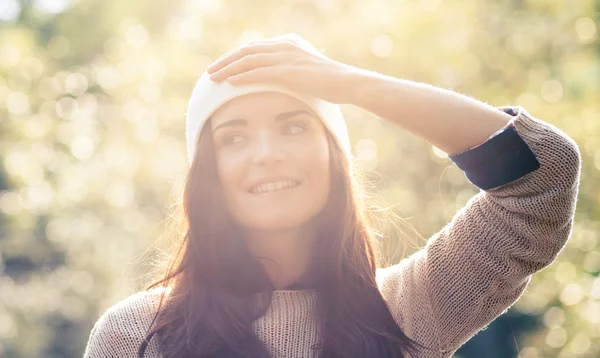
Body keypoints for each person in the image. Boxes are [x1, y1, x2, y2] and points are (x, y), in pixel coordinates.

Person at [83, 34, 581, 358]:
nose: (266, 153)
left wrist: (350, 85)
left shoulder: (410, 308)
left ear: (334, 156)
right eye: (233, 137)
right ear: (206, 176)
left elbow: (545, 173)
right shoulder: (135, 337)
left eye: (294, 126)